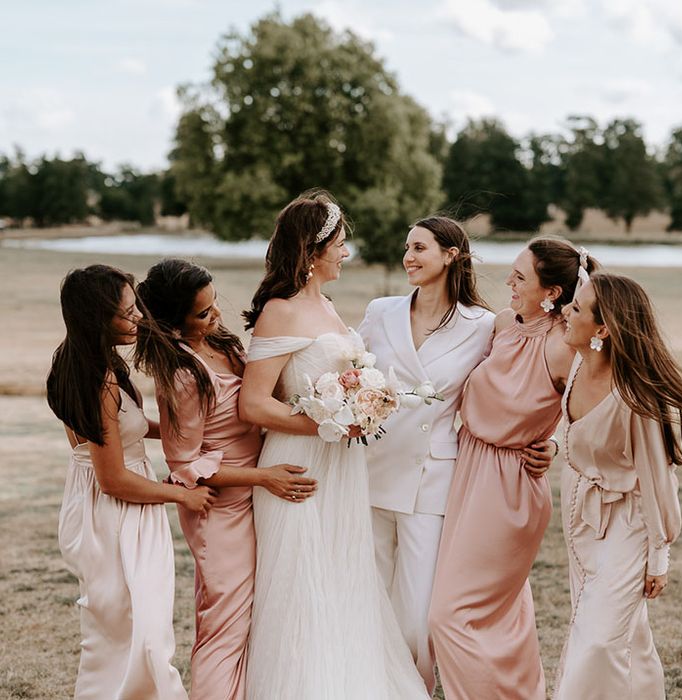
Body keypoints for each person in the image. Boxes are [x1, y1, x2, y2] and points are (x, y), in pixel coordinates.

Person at [238, 190, 429, 699]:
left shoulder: (327, 305)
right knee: (302, 585)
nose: (347, 253)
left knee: (345, 577)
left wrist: (361, 409)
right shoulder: (279, 311)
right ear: (311, 249)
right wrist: (332, 425)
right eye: (340, 244)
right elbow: (254, 405)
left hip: (343, 467)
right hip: (297, 467)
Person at [358, 217, 556, 693]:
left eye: (420, 247)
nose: (408, 256)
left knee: (419, 614)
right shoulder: (380, 311)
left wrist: (545, 439)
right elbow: (350, 374)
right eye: (406, 247)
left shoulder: (485, 325)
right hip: (367, 472)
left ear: (451, 254)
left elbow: (520, 384)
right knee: (369, 602)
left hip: (434, 479)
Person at [553, 272, 682, 698]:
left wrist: (658, 557)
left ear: (602, 330)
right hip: (583, 524)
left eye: (575, 308)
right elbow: (573, 435)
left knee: (597, 640)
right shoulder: (576, 367)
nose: (564, 313)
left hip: (629, 528)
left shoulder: (636, 398)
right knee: (626, 634)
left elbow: (658, 480)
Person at [134, 259, 317, 700]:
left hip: (253, 498)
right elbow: (184, 464)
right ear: (174, 320)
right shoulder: (181, 373)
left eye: (214, 304)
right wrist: (263, 477)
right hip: (220, 509)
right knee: (224, 625)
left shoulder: (220, 341)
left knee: (250, 618)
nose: (216, 315)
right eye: (203, 312)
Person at [429, 238, 599, 700]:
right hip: (467, 468)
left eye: (520, 276)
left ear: (552, 293)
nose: (508, 281)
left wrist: (556, 445)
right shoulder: (503, 325)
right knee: (503, 614)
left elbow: (593, 417)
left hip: (509, 488)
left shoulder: (565, 349)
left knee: (448, 616)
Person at [47, 264, 215, 700]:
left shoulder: (80, 360)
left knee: (128, 627)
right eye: (126, 312)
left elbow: (126, 430)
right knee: (141, 632)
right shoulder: (97, 381)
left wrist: (184, 426)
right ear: (96, 318)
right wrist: (183, 494)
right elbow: (114, 479)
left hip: (109, 505)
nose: (138, 317)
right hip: (117, 515)